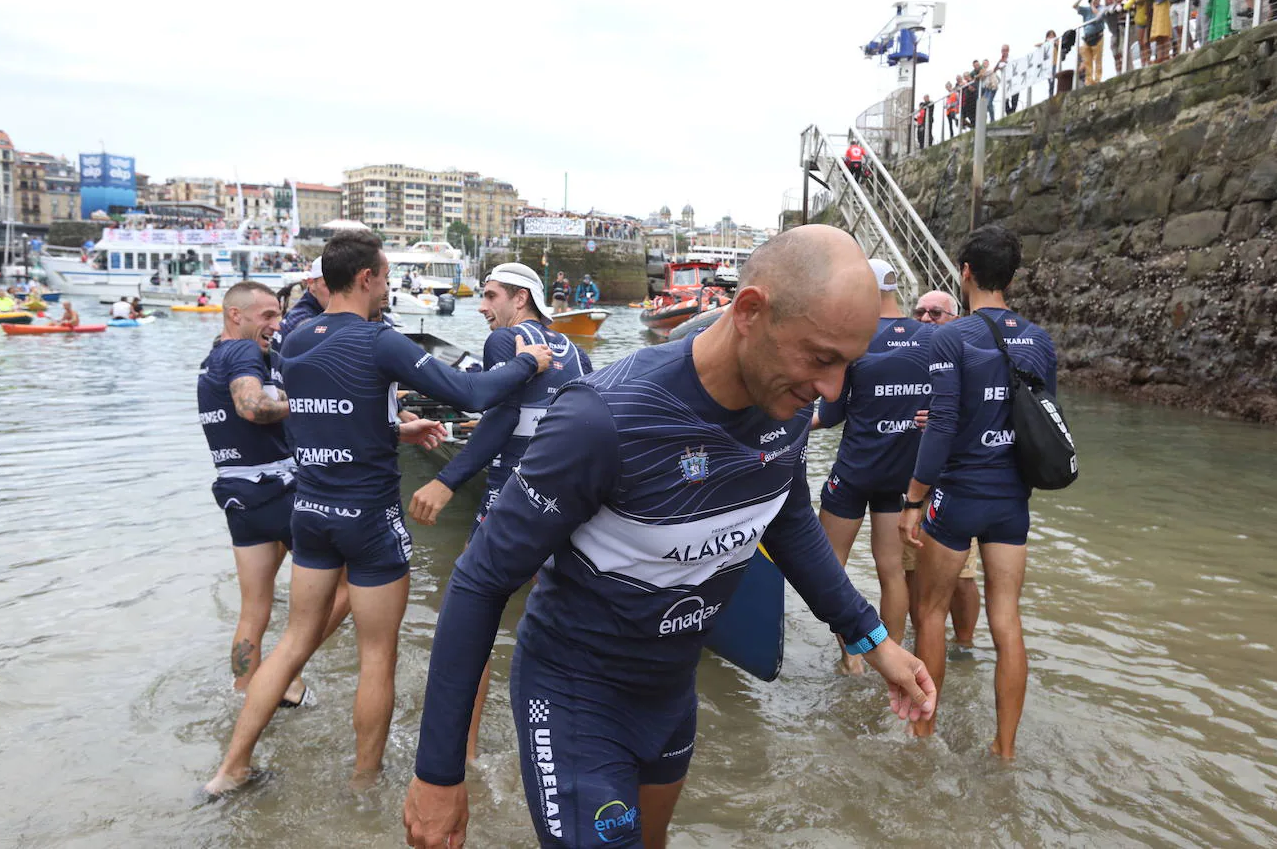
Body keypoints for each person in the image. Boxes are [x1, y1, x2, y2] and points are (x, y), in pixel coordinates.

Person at [403, 225, 936, 849]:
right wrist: (438, 774)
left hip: (670, 695)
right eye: (820, 358)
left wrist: (872, 639)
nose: (832, 391)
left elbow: (787, 519)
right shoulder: (604, 418)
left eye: (850, 363)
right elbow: (480, 579)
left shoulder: (784, 411)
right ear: (750, 312)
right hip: (576, 697)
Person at [203, 233, 555, 796]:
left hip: (310, 511)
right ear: (365, 278)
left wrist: (398, 427)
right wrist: (527, 362)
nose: (390, 288)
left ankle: (231, 769)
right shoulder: (379, 341)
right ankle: (363, 785)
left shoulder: (292, 342)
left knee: (294, 640)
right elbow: (469, 392)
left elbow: (326, 415)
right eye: (387, 277)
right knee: (377, 657)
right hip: (366, 519)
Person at [408, 262, 593, 761]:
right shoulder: (576, 351)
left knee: (467, 618)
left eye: (490, 296)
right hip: (565, 499)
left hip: (510, 496)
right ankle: (574, 746)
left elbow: (502, 418)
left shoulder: (505, 343)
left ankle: (461, 755)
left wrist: (447, 481)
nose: (483, 307)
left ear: (521, 298)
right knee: (562, 622)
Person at [900, 225, 1058, 760]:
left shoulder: (951, 337)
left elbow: (943, 424)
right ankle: (1005, 748)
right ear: (1010, 277)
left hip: (959, 494)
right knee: (1007, 621)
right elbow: (1041, 418)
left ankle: (924, 734)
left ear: (964, 272)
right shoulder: (1038, 339)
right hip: (1012, 500)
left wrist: (914, 499)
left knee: (930, 612)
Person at [196, 281, 351, 707]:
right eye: (266, 315)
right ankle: (289, 674)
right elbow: (252, 407)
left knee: (253, 609)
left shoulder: (212, 359)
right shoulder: (243, 352)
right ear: (235, 316)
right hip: (277, 490)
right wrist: (301, 402)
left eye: (278, 314)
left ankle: (243, 693)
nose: (276, 324)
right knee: (356, 579)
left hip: (237, 496)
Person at [812, 260, 934, 674]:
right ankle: (893, 655)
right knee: (892, 572)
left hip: (855, 472)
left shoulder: (858, 339)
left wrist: (787, 420)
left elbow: (829, 415)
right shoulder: (932, 337)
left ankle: (852, 658)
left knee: (832, 569)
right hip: (901, 475)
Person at [904, 290, 980, 648]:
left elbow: (989, 414)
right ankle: (922, 643)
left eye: (935, 313)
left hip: (955, 481)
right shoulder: (903, 353)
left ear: (954, 319)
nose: (925, 318)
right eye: (919, 312)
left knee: (963, 577)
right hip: (908, 478)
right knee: (909, 569)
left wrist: (943, 421)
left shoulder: (972, 355)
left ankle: (964, 646)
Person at [269, 255, 329, 355]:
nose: (337, 292)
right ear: (311, 283)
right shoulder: (304, 322)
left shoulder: (299, 315)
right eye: (329, 285)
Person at [1074, 0, 1105, 84]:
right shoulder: (1086, 10)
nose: (1096, 1)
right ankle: (1089, 81)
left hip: (1098, 36)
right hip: (1087, 38)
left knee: (1098, 59)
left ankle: (1098, 79)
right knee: (1087, 61)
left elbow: (1097, 14)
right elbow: (1074, 6)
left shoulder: (1102, 8)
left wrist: (1092, 5)